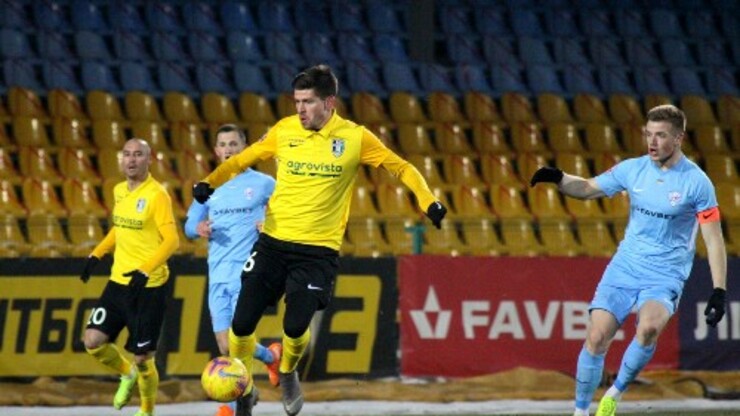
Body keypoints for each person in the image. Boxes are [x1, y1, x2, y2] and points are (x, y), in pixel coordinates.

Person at [192, 64, 447, 416]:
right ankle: (244, 391)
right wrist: (210, 182)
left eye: (308, 102)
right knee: (241, 324)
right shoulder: (284, 130)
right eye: (296, 101)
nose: (300, 109)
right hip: (273, 244)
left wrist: (428, 201)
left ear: (329, 102)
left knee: (295, 326)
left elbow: (401, 166)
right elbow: (241, 160)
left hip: (317, 252)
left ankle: (287, 371)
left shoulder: (355, 138)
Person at [530, 104, 727, 416]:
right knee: (596, 337)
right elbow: (587, 188)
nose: (652, 142)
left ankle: (615, 392)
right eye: (648, 134)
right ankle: (580, 412)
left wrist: (719, 290)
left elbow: (713, 239)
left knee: (648, 329)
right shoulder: (632, 169)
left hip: (666, 273)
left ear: (679, 138)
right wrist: (559, 177)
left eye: (661, 135)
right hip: (626, 266)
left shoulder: (697, 183)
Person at [184, 124, 280, 416]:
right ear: (216, 151)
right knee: (226, 346)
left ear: (245, 148)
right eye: (223, 144)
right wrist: (198, 227)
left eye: (234, 144)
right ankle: (270, 357)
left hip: (248, 273)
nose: (229, 149)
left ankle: (232, 404)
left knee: (237, 343)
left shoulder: (264, 183)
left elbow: (287, 212)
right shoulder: (207, 187)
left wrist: (271, 224)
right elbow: (188, 225)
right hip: (217, 275)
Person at [79, 138, 180, 416]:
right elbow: (120, 227)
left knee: (143, 357)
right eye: (127, 154)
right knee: (92, 341)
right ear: (121, 159)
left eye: (138, 154)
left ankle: (147, 410)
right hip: (118, 283)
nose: (131, 160)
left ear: (149, 160)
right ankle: (127, 373)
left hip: (149, 286)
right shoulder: (119, 190)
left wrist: (146, 269)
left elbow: (172, 240)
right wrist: (97, 254)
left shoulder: (157, 195)